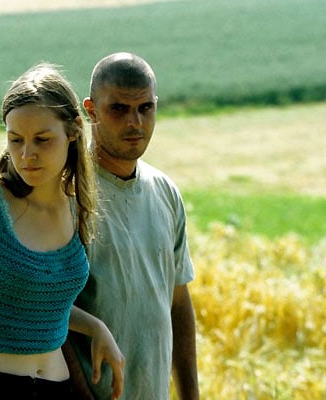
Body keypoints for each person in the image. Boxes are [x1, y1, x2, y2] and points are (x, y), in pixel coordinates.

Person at [0, 63, 124, 400]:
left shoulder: (75, 207)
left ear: (73, 131)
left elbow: (37, 298)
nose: (26, 155)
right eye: (15, 140)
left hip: (58, 390)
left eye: (42, 140)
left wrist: (95, 327)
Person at [67, 52, 200, 399]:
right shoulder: (68, 197)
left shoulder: (165, 191)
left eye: (145, 108)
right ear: (90, 109)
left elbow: (177, 300)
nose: (135, 123)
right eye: (119, 109)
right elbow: (48, 309)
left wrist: (190, 394)